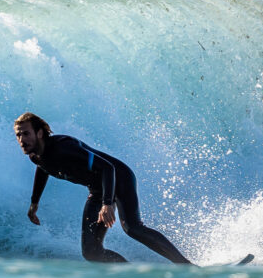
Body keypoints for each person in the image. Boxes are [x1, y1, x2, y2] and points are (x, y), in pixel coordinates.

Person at [14, 112, 193, 264]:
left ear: (39, 133)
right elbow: (43, 168)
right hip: (98, 189)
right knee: (91, 252)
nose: (21, 140)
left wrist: (107, 204)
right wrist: (34, 203)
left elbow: (107, 168)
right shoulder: (36, 156)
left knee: (133, 229)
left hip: (119, 178)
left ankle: (185, 265)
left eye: (26, 134)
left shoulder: (64, 147)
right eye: (18, 135)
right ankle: (131, 275)